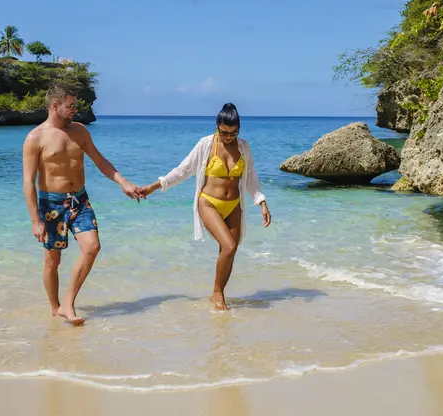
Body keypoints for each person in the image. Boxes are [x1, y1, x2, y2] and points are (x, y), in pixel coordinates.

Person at [23, 83, 144, 325]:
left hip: (80, 200)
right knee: (52, 261)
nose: (75, 110)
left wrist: (123, 182)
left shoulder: (79, 131)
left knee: (92, 247)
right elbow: (28, 182)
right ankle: (55, 307)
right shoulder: (35, 138)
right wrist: (35, 220)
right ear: (55, 106)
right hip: (51, 205)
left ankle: (68, 302)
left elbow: (100, 161)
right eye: (71, 106)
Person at [140, 103, 271, 311]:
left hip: (234, 205)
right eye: (225, 132)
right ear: (217, 126)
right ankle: (218, 293)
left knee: (230, 251)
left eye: (234, 132)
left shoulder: (244, 147)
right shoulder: (205, 145)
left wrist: (261, 202)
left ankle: (217, 293)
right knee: (228, 246)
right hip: (209, 203)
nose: (229, 137)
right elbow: (184, 169)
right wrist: (155, 186)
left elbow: (251, 178)